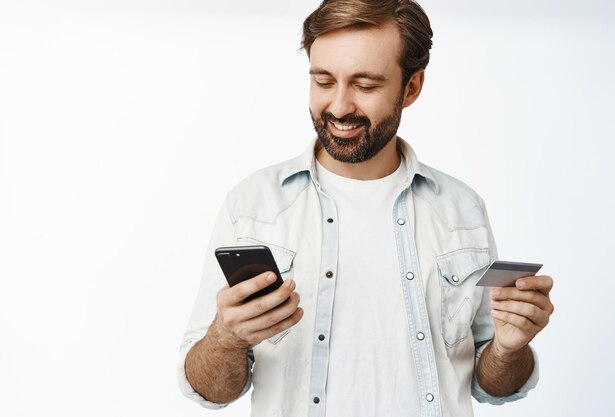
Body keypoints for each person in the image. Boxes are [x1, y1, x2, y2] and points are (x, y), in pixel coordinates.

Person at [178, 1, 554, 416]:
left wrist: (508, 348)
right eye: (323, 81)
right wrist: (226, 338)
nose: (339, 107)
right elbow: (208, 390)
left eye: (366, 85)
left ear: (411, 88)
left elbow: (494, 386)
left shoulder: (461, 209)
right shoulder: (252, 205)